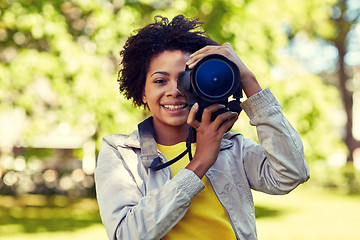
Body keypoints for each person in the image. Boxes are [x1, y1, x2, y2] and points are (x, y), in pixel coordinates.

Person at [94, 15, 310, 240]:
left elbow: (291, 173)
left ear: (202, 85)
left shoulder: (231, 148)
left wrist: (247, 78)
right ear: (142, 92)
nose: (174, 90)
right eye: (160, 81)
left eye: (185, 78)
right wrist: (200, 162)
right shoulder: (121, 153)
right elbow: (126, 235)